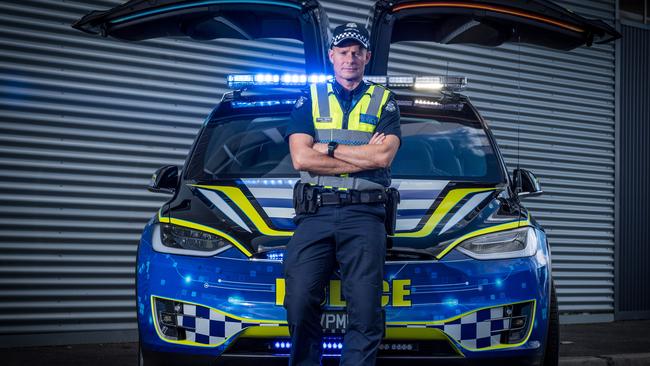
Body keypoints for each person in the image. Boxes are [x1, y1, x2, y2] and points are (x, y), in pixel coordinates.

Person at [283, 22, 401, 366]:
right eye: (344, 52)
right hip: (316, 215)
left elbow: (383, 156)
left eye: (357, 52)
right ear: (332, 56)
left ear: (367, 57)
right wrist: (359, 154)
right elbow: (301, 157)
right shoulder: (311, 96)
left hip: (366, 216)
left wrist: (329, 147)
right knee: (300, 300)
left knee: (364, 309)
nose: (350, 58)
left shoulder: (384, 100)